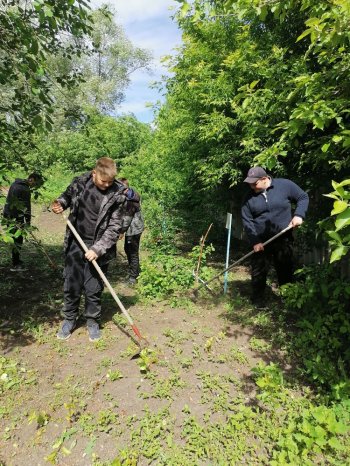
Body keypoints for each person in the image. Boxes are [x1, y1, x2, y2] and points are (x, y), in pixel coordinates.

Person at [51, 157, 126, 342]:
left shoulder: (119, 193)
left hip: (100, 246)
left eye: (110, 181)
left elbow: (115, 227)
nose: (106, 185)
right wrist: (60, 203)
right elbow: (66, 197)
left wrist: (98, 249)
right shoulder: (79, 182)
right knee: (72, 284)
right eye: (103, 181)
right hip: (76, 242)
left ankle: (92, 320)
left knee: (94, 287)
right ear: (94, 173)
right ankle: (69, 319)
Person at [241, 166, 309, 305]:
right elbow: (247, 221)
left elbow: (303, 197)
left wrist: (299, 215)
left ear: (265, 179)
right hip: (261, 242)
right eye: (250, 183)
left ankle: (288, 299)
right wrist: (255, 241)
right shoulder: (248, 198)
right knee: (258, 271)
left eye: (255, 183)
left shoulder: (285, 185)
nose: (252, 186)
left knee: (285, 269)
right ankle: (258, 300)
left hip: (283, 237)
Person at [3, 173, 43, 272]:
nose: (36, 186)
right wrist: (28, 223)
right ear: (31, 179)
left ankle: (16, 260)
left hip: (8, 215)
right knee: (17, 240)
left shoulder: (15, 183)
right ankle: (15, 265)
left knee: (14, 238)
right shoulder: (25, 189)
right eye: (36, 183)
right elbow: (27, 208)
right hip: (16, 217)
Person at [119, 178, 144, 285]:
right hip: (135, 228)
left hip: (134, 230)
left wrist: (121, 232)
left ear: (125, 188)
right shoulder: (131, 193)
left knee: (132, 252)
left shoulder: (130, 200)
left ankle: (133, 277)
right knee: (128, 249)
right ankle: (134, 272)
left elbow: (127, 219)